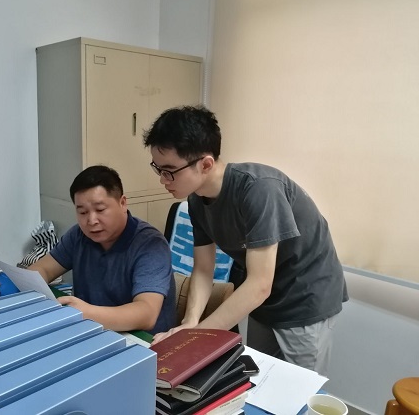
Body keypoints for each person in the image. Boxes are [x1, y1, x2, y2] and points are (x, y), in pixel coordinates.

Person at [143, 105, 348, 375]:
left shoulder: (259, 189)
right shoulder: (196, 200)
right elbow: (203, 269)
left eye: (170, 171)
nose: (163, 180)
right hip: (264, 296)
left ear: (205, 164)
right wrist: (190, 322)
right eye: (158, 169)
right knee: (261, 377)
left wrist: (195, 338)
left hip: (305, 296)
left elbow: (260, 285)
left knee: (298, 386)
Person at [29, 165, 176, 335]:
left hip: (142, 341)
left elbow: (146, 314)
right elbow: (44, 269)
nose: (91, 221)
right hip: (94, 330)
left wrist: (85, 313)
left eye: (100, 210)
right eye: (82, 212)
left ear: (122, 203)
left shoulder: (150, 245)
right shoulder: (79, 235)